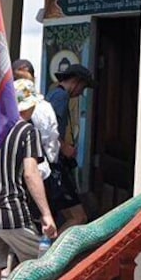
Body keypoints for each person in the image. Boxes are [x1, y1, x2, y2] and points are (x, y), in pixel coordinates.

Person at [0, 78, 58, 280]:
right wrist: (46, 214)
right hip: (12, 212)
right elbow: (31, 174)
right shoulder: (27, 132)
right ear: (30, 106)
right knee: (41, 266)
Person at [45, 63, 94, 232]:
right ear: (76, 82)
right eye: (83, 87)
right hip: (56, 168)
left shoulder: (53, 94)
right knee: (79, 217)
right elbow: (50, 129)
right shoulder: (61, 97)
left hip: (51, 167)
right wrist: (65, 147)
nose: (81, 92)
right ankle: (51, 253)